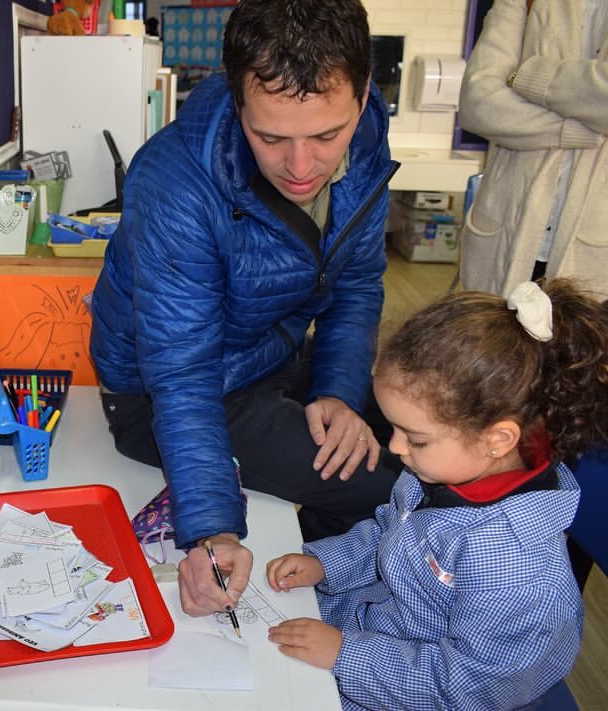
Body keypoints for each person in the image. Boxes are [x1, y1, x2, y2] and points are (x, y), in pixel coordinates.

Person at [88, 0, 400, 620]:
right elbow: (182, 375)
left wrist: (337, 392)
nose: (301, 167)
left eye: (326, 136)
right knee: (390, 490)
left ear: (363, 97)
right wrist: (212, 531)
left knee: (430, 445)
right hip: (167, 395)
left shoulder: (366, 138)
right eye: (271, 137)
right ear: (237, 102)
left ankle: (330, 571)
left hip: (270, 352)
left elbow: (357, 284)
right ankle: (341, 614)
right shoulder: (173, 181)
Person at [265, 279, 608, 710]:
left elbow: (463, 689)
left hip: (413, 688)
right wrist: (326, 564)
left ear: (497, 440)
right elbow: (387, 532)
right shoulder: (444, 470)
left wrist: (346, 655)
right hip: (373, 632)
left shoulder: (518, 574)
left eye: (415, 438)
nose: (396, 447)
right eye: (394, 428)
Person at [457, 0, 608, 299]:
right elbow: (479, 103)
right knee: (492, 328)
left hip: (603, 253)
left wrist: (531, 75)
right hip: (504, 240)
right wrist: (581, 126)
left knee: (591, 329)